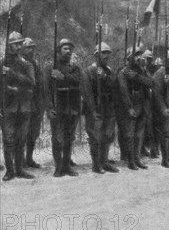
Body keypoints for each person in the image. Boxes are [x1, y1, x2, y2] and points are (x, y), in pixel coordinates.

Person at [44, 38, 81, 177]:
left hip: (71, 107)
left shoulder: (75, 67)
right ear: (59, 50)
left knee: (69, 138)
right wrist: (49, 108)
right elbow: (46, 90)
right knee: (57, 138)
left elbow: (78, 81)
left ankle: (66, 166)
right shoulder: (50, 68)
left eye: (70, 49)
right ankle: (58, 166)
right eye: (65, 49)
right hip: (57, 107)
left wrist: (63, 76)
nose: (69, 51)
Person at [0, 31, 35, 181]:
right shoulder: (3, 63)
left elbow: (32, 82)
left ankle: (20, 169)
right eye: (15, 44)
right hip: (8, 106)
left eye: (20, 44)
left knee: (21, 138)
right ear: (10, 46)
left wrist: (12, 74)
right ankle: (10, 171)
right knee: (8, 139)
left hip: (24, 106)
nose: (18, 47)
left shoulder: (26, 63)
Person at [82, 41, 119, 174]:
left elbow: (115, 85)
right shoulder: (88, 71)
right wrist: (92, 110)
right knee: (95, 136)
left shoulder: (108, 71)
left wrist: (103, 77)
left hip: (108, 108)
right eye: (104, 53)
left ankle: (104, 161)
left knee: (108, 135)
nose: (107, 56)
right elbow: (87, 93)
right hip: (96, 109)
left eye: (108, 53)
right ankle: (96, 164)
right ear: (96, 55)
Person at [117, 47, 153, 170]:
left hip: (142, 105)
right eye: (135, 55)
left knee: (139, 135)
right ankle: (130, 160)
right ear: (129, 58)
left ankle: (137, 158)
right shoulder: (123, 72)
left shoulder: (141, 71)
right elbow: (123, 92)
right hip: (131, 106)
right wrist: (129, 107)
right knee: (130, 135)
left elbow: (151, 83)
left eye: (139, 55)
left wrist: (136, 76)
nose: (138, 57)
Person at [21, 37, 44, 169]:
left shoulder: (34, 63)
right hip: (23, 102)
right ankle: (20, 160)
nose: (31, 50)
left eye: (32, 47)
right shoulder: (18, 63)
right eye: (28, 47)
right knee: (22, 132)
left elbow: (40, 82)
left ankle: (29, 158)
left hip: (35, 102)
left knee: (33, 132)